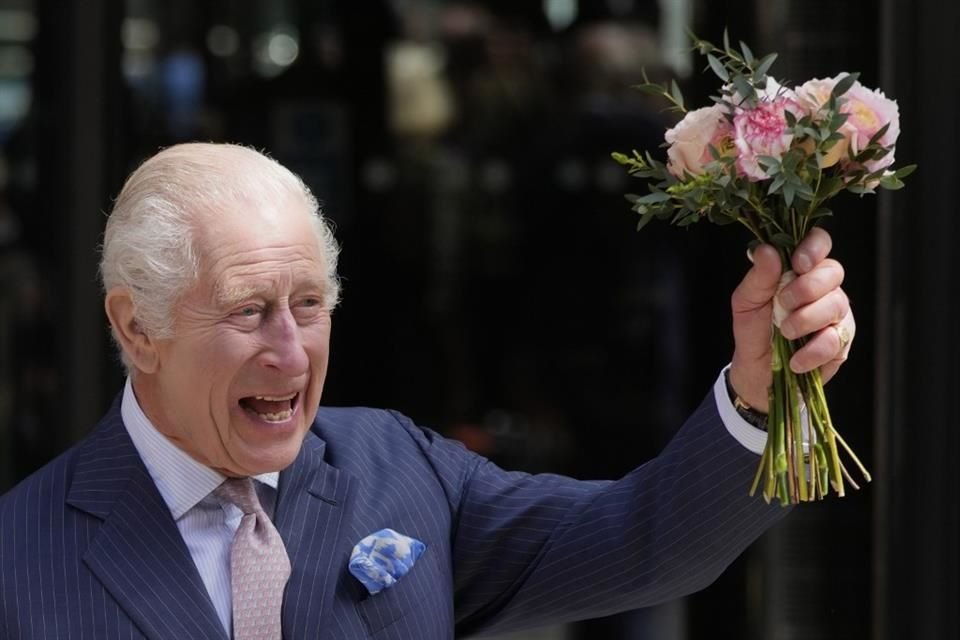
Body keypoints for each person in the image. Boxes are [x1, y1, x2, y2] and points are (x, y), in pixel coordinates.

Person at [0, 143, 855, 639]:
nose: (292, 354)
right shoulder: (20, 558)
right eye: (250, 312)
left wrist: (758, 395)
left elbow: (649, 539)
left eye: (309, 305)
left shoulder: (396, 466)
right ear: (138, 327)